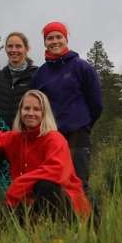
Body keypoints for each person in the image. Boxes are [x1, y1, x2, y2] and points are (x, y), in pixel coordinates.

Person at [0, 90, 91, 220]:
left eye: (36, 109)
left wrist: (19, 185)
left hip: (67, 206)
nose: (30, 113)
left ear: (44, 113)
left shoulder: (54, 139)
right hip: (28, 203)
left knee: (46, 185)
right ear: (20, 111)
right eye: (26, 108)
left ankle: (60, 227)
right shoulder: (17, 138)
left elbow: (56, 171)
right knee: (2, 226)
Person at [30, 21, 102, 190]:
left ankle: (89, 217)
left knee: (78, 181)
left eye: (58, 37)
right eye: (49, 38)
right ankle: (59, 216)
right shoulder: (40, 74)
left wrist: (84, 124)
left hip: (78, 134)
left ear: (66, 39)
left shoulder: (82, 67)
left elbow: (96, 104)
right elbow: (34, 105)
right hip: (51, 136)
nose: (54, 41)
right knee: (53, 182)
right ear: (45, 42)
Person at [0, 32, 38, 127]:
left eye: (18, 46)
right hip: (0, 135)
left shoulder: (37, 75)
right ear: (5, 49)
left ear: (27, 49)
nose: (13, 50)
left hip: (26, 135)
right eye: (10, 46)